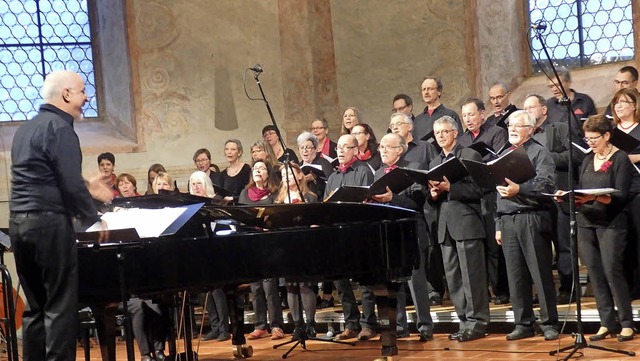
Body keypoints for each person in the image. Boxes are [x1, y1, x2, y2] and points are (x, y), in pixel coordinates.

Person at [9, 69, 103, 361]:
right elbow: (70, 184)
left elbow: (42, 175)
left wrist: (85, 187)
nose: (87, 97)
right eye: (82, 91)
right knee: (61, 309)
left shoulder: (26, 129)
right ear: (66, 94)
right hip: (50, 226)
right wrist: (94, 219)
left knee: (36, 309)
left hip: (20, 225)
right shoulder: (60, 128)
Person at [554, 115, 635, 342]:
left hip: (612, 223)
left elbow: (621, 194)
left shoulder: (620, 159)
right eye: (587, 138)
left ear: (607, 136)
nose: (589, 142)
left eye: (594, 138)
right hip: (586, 222)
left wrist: (596, 198)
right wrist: (572, 198)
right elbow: (582, 189)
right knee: (595, 274)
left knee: (612, 271)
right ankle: (606, 322)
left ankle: (627, 323)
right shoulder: (588, 160)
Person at [495, 110, 559, 341]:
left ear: (530, 129)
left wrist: (520, 190)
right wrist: (498, 223)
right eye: (510, 125)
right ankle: (523, 323)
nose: (512, 128)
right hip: (508, 219)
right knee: (515, 275)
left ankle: (550, 322)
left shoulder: (539, 152)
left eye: (518, 125)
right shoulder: (503, 154)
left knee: (540, 273)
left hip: (532, 217)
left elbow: (546, 186)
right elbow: (498, 192)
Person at [427, 116, 489, 342]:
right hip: (445, 225)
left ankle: (478, 322)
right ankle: (464, 322)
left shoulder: (469, 155)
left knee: (472, 277)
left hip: (467, 222)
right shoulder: (434, 162)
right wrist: (433, 195)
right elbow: (433, 199)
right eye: (437, 133)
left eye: (445, 131)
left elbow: (479, 190)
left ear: (455, 133)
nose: (441, 136)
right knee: (453, 278)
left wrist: (450, 187)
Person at [371, 132, 434, 342]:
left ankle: (425, 325)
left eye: (388, 147)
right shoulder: (378, 173)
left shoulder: (412, 168)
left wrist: (393, 198)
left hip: (411, 231)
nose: (383, 150)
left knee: (416, 282)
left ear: (400, 149)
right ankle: (399, 326)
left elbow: (417, 201)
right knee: (393, 282)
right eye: (381, 147)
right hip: (389, 233)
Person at [524, 94, 580, 304]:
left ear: (544, 110)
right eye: (525, 109)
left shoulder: (559, 128)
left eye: (531, 108)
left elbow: (577, 155)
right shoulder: (525, 139)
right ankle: (545, 291)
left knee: (564, 245)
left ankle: (569, 287)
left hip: (559, 196)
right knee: (541, 249)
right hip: (537, 200)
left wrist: (546, 157)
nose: (528, 111)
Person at [457, 98, 510, 305]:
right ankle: (484, 290)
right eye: (464, 116)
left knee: (493, 245)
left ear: (482, 113)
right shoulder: (461, 140)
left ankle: (501, 290)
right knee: (478, 247)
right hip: (470, 195)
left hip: (490, 193)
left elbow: (499, 160)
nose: (468, 119)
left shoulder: (496, 132)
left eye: (471, 114)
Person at [324, 134, 373, 340]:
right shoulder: (334, 176)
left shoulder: (363, 171)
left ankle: (368, 324)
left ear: (355, 150)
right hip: (338, 233)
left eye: (346, 147)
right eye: (338, 148)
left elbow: (368, 200)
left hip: (359, 232)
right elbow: (326, 204)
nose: (341, 151)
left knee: (365, 282)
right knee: (341, 283)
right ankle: (351, 323)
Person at [238, 160, 285, 340]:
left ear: (268, 174)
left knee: (270, 288)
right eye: (255, 168)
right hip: (251, 245)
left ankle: (276, 325)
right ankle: (260, 325)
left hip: (268, 244)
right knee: (256, 288)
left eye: (262, 168)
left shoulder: (274, 194)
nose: (258, 171)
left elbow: (278, 217)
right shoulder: (244, 193)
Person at [274, 163, 319, 339]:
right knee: (291, 286)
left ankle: (310, 324)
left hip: (305, 246)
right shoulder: (277, 200)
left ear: (300, 175)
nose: (286, 177)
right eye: (283, 175)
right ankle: (297, 326)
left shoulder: (310, 197)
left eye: (290, 174)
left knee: (305, 285)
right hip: (286, 247)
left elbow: (316, 221)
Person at [610, 88, 640, 299]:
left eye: (624, 102)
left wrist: (629, 159)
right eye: (617, 103)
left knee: (638, 238)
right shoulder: (611, 131)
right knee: (622, 241)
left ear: (635, 106)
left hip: (637, 189)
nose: (619, 106)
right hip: (617, 191)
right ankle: (626, 289)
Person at [546, 68, 597, 138]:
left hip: (583, 146)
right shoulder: (549, 105)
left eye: (558, 85)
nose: (554, 89)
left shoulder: (585, 100)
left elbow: (596, 126)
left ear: (568, 82)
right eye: (551, 86)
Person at [412, 76, 462, 141]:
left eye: (430, 89)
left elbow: (460, 139)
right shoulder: (418, 120)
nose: (426, 92)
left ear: (439, 92)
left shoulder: (450, 115)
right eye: (424, 89)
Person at [297, 131, 334, 199]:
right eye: (301, 148)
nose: (304, 151)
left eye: (308, 147)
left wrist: (315, 179)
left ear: (315, 149)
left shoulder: (324, 164)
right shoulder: (297, 166)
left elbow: (330, 186)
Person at [220, 139, 252, 204]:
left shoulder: (247, 169)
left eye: (233, 149)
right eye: (227, 149)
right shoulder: (222, 174)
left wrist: (233, 198)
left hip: (243, 207)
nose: (229, 152)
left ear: (239, 152)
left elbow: (250, 192)